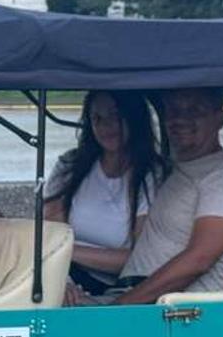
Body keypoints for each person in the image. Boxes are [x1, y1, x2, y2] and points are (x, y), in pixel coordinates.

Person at [97, 87, 223, 306]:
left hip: (176, 314)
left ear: (219, 119)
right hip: (136, 297)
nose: (181, 119)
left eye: (194, 110)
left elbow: (198, 260)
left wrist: (119, 307)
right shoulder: (180, 170)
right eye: (173, 111)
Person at [41, 90, 168, 297]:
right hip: (60, 271)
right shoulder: (71, 165)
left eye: (114, 116)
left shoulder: (151, 175)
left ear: (134, 118)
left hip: (111, 286)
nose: (105, 126)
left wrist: (68, 252)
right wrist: (59, 277)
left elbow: (137, 258)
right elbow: (48, 234)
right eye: (97, 118)